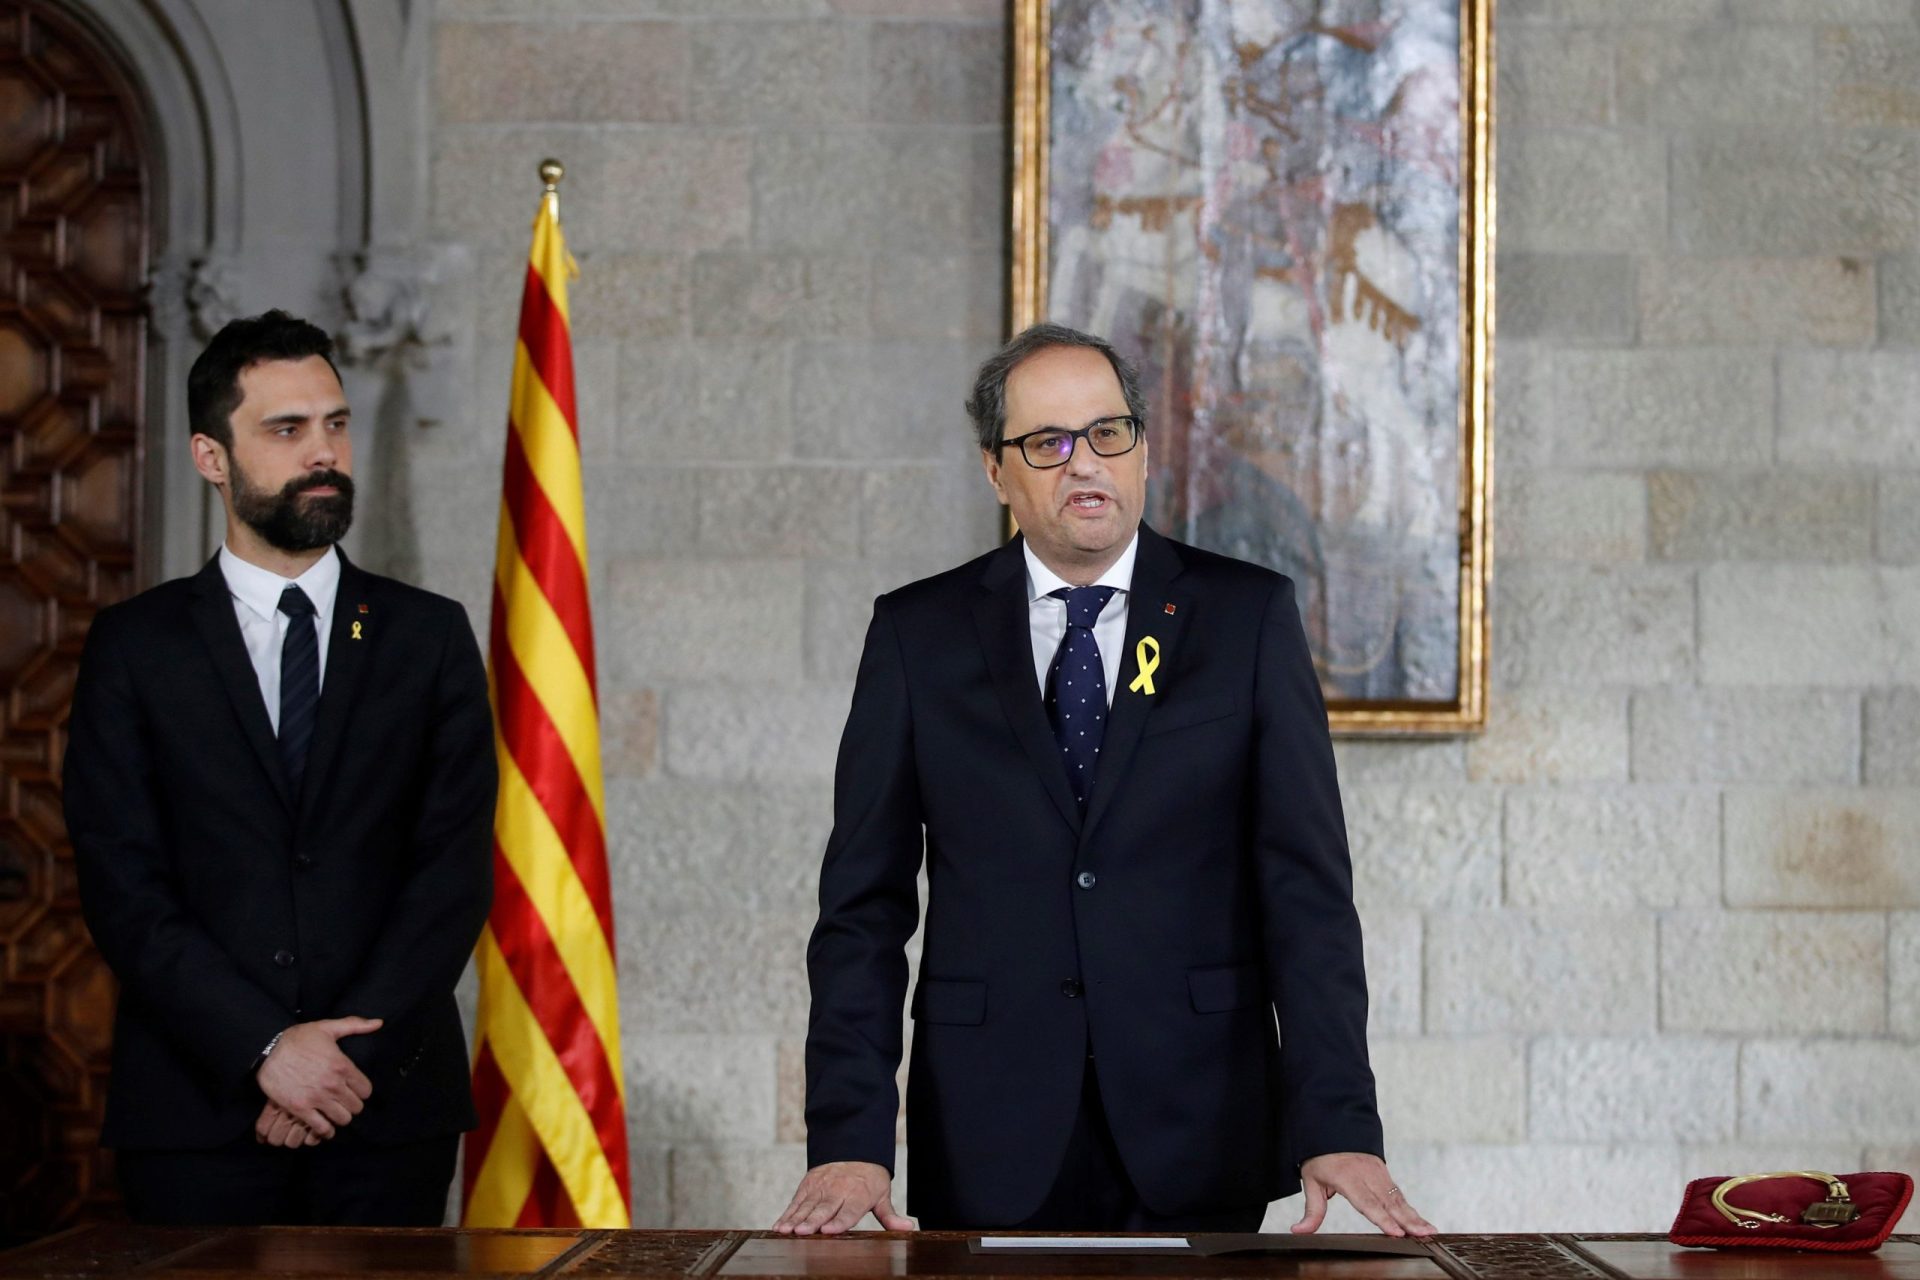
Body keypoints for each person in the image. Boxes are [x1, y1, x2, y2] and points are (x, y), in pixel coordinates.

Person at [775, 323, 1431, 1237]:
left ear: (1144, 450)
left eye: (1108, 433)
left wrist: (1338, 1122)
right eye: (1046, 444)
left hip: (1202, 1121)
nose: (1084, 464)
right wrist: (848, 1136)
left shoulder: (1247, 619)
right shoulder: (916, 636)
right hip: (988, 1128)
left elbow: (1308, 895)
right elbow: (862, 909)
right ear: (995, 472)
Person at [64, 310, 496, 1226]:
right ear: (210, 457)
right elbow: (123, 884)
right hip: (196, 1108)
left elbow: (450, 875)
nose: (324, 452)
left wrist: (336, 1068)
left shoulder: (429, 637)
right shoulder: (135, 647)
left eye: (335, 423)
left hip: (385, 1111)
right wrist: (265, 1048)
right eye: (286, 429)